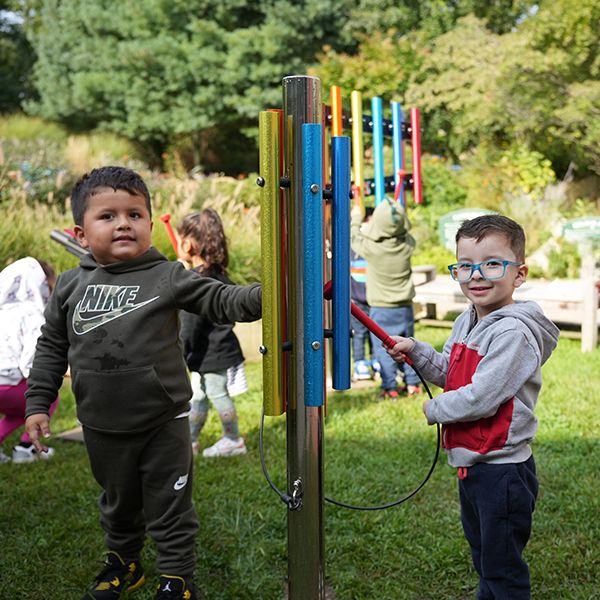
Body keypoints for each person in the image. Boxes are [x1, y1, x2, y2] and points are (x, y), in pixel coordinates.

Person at [24, 166, 261, 600]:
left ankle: (176, 578)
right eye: (108, 216)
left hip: (161, 420)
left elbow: (221, 299)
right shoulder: (71, 286)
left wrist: (267, 294)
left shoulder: (167, 276)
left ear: (150, 225)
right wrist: (38, 403)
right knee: (118, 503)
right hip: (101, 423)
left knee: (169, 505)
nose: (123, 224)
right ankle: (124, 562)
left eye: (135, 214)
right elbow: (51, 347)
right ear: (80, 233)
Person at [387, 214, 559, 600]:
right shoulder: (467, 320)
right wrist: (416, 352)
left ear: (519, 273)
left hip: (503, 471)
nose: (476, 275)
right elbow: (450, 372)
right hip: (475, 467)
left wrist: (435, 410)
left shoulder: (513, 332)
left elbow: (482, 396)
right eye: (465, 265)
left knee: (503, 568)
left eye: (492, 264)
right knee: (484, 556)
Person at [177, 209, 248, 458]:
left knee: (216, 394)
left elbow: (189, 326)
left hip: (213, 353)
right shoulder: (217, 275)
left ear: (188, 244)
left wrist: (181, 353)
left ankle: (233, 439)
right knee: (200, 396)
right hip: (213, 351)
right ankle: (191, 440)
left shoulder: (194, 283)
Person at [351, 197, 421, 399]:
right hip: (405, 306)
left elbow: (353, 236)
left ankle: (390, 387)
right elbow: (404, 230)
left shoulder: (371, 249)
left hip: (381, 308)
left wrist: (356, 215)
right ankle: (412, 384)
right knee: (408, 346)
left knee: (385, 349)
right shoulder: (407, 245)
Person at [0, 257, 59, 464]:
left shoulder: (2, 311)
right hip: (8, 387)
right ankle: (27, 448)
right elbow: (33, 358)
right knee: (47, 397)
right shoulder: (33, 315)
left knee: (17, 413)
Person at [350, 207, 375, 381]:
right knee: (358, 332)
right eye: (366, 221)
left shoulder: (375, 245)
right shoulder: (352, 245)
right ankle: (360, 363)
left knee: (375, 332)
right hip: (356, 298)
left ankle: (376, 360)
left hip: (374, 298)